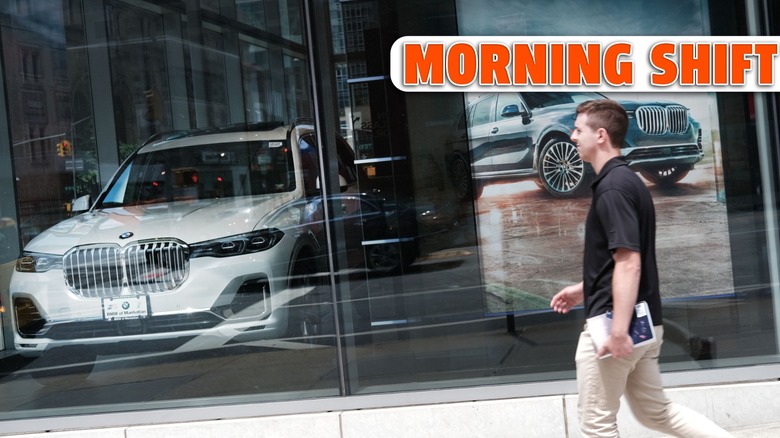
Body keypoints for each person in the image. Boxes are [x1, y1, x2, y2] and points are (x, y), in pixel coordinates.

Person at [549, 99, 733, 438]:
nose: (573, 137)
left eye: (578, 130)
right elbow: (618, 259)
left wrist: (619, 330)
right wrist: (583, 288)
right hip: (646, 325)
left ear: (600, 135)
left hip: (614, 329)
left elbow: (629, 263)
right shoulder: (628, 182)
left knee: (597, 423)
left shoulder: (613, 188)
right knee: (658, 414)